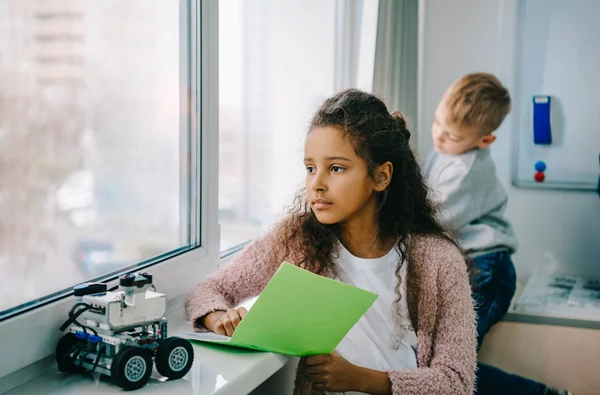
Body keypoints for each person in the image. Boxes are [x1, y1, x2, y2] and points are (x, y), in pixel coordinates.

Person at [185, 89, 476, 394]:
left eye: (336, 168)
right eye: (310, 168)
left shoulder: (438, 260)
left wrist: (361, 379)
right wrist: (218, 317)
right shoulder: (296, 240)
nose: (317, 184)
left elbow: (456, 382)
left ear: (381, 176)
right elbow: (208, 291)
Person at [421, 72, 572, 395]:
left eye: (451, 135)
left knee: (447, 370)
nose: (439, 137)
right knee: (431, 365)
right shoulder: (446, 151)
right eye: (437, 123)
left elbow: (426, 222)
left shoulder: (467, 172)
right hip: (464, 268)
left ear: (484, 141)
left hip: (487, 271)